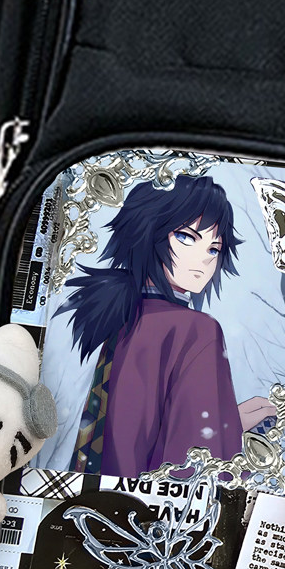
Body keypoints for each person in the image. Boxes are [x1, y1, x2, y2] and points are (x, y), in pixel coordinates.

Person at [58, 173, 243, 478]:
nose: (203, 260)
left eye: (214, 249)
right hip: (150, 503)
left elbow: (132, 425)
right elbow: (194, 461)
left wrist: (230, 419)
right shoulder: (197, 330)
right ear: (147, 230)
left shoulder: (117, 314)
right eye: (186, 237)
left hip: (92, 492)